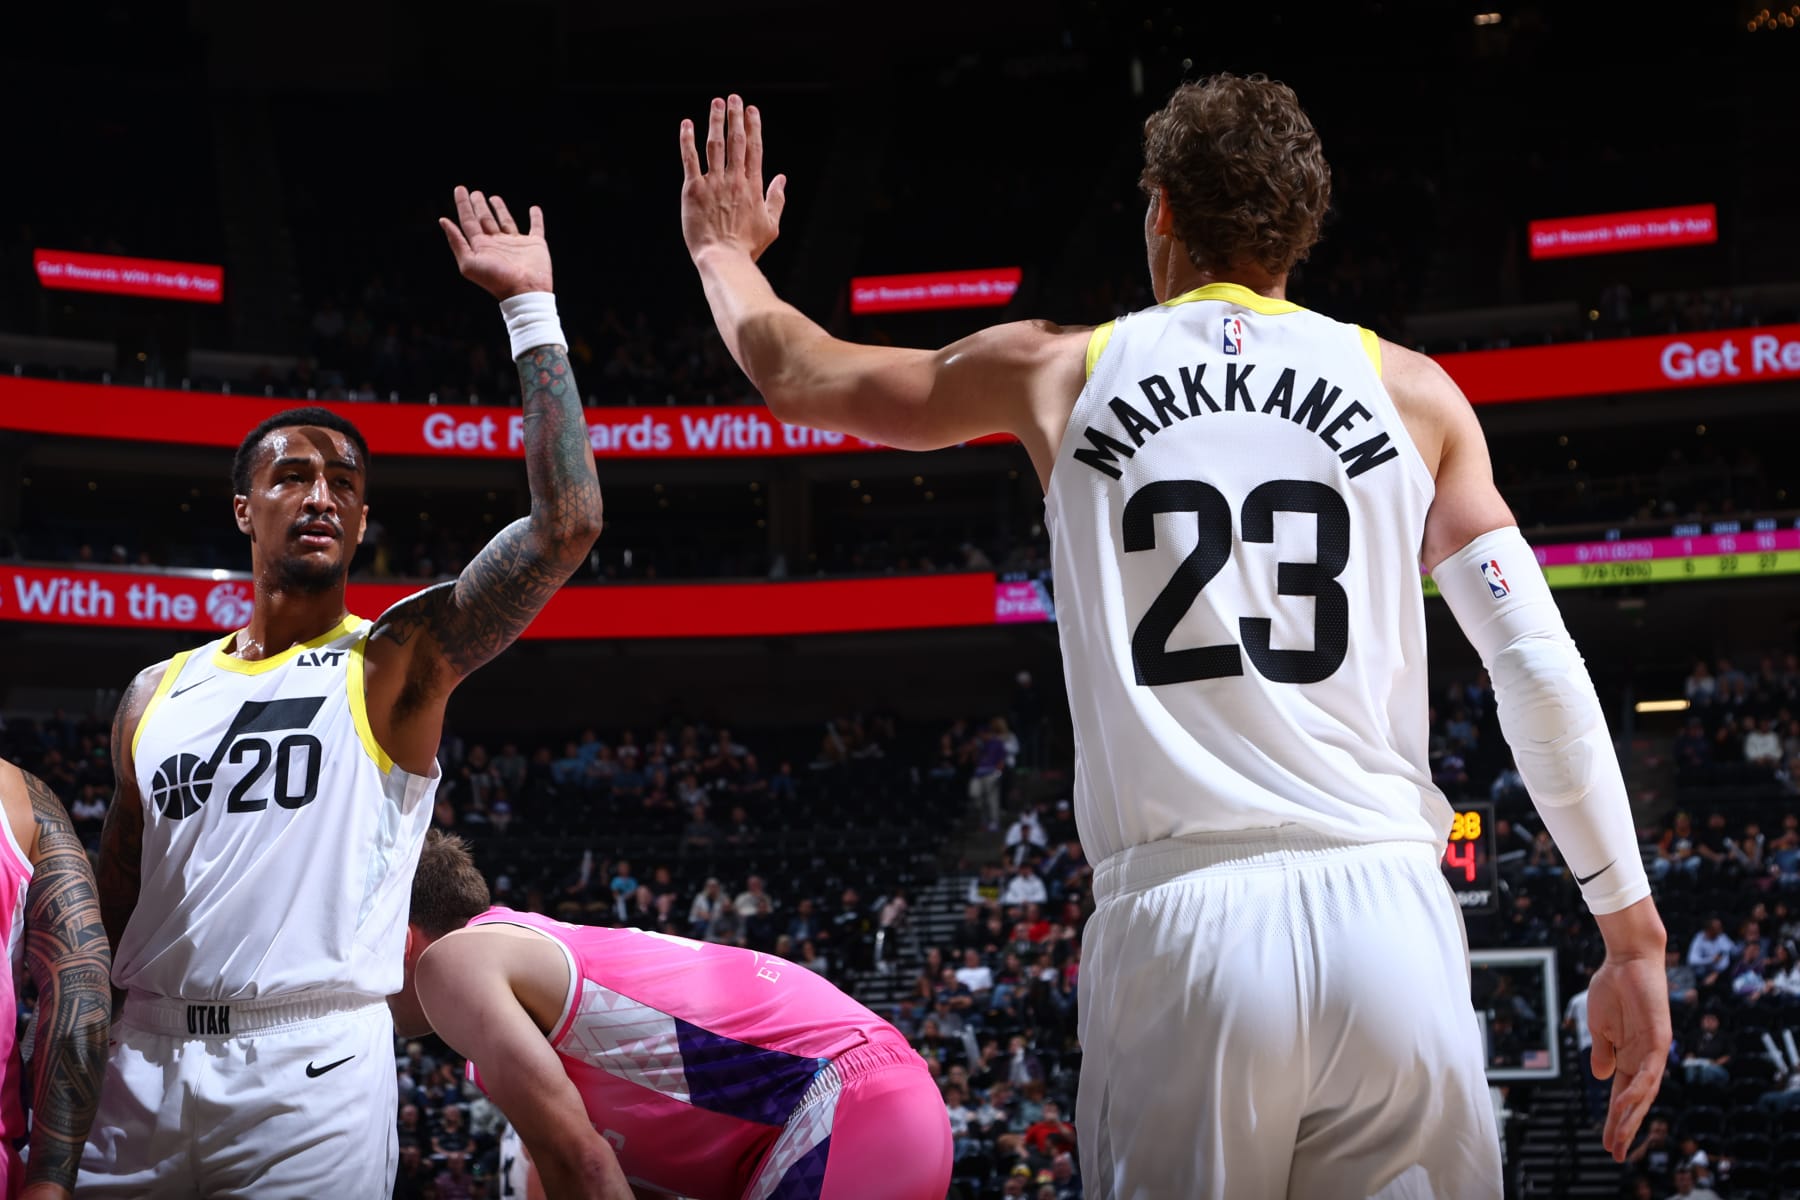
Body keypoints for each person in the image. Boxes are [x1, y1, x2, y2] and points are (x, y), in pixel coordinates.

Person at [678, 77, 1670, 1197]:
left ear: (1159, 213)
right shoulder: (1418, 395)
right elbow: (1533, 669)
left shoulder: (1060, 368)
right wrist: (1629, 935)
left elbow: (799, 373)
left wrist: (726, 253)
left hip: (1188, 927)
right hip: (1393, 915)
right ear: (1302, 226)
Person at [82, 186, 604, 1197]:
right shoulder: (156, 690)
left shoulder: (396, 656)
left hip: (310, 1066)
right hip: (137, 1062)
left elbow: (566, 526)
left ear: (361, 522)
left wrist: (529, 311)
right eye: (293, 475)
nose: (321, 494)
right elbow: (115, 893)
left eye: (345, 482)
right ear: (245, 507)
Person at [388, 832, 953, 1199]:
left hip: (834, 1100)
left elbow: (584, 1166)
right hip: (854, 1111)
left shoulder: (455, 961)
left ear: (405, 941)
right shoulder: (514, 973)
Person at [0, 760, 112, 1199]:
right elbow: (81, 980)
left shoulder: (23, 800)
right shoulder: (22, 798)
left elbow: (79, 982)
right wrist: (50, 1179)